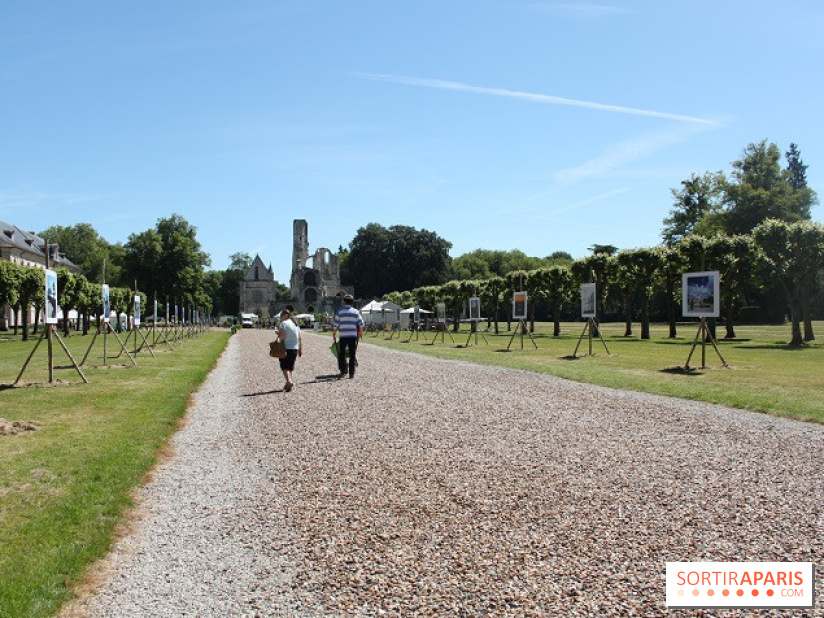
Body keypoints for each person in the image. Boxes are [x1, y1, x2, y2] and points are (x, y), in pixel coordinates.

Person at [332, 294, 364, 379]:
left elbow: (335, 325)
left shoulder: (340, 311)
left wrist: (334, 333)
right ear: (352, 302)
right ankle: (351, 373)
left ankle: (343, 371)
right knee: (352, 354)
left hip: (343, 335)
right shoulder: (356, 312)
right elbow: (361, 324)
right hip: (353, 336)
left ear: (344, 302)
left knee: (342, 354)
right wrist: (359, 333)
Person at [277, 309, 302, 392]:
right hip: (295, 348)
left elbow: (282, 337)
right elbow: (300, 338)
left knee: (284, 367)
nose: (280, 317)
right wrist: (300, 349)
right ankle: (288, 385)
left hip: (286, 348)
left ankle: (289, 381)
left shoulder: (283, 324)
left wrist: (277, 335)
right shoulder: (295, 325)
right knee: (290, 367)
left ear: (285, 315)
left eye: (281, 315)